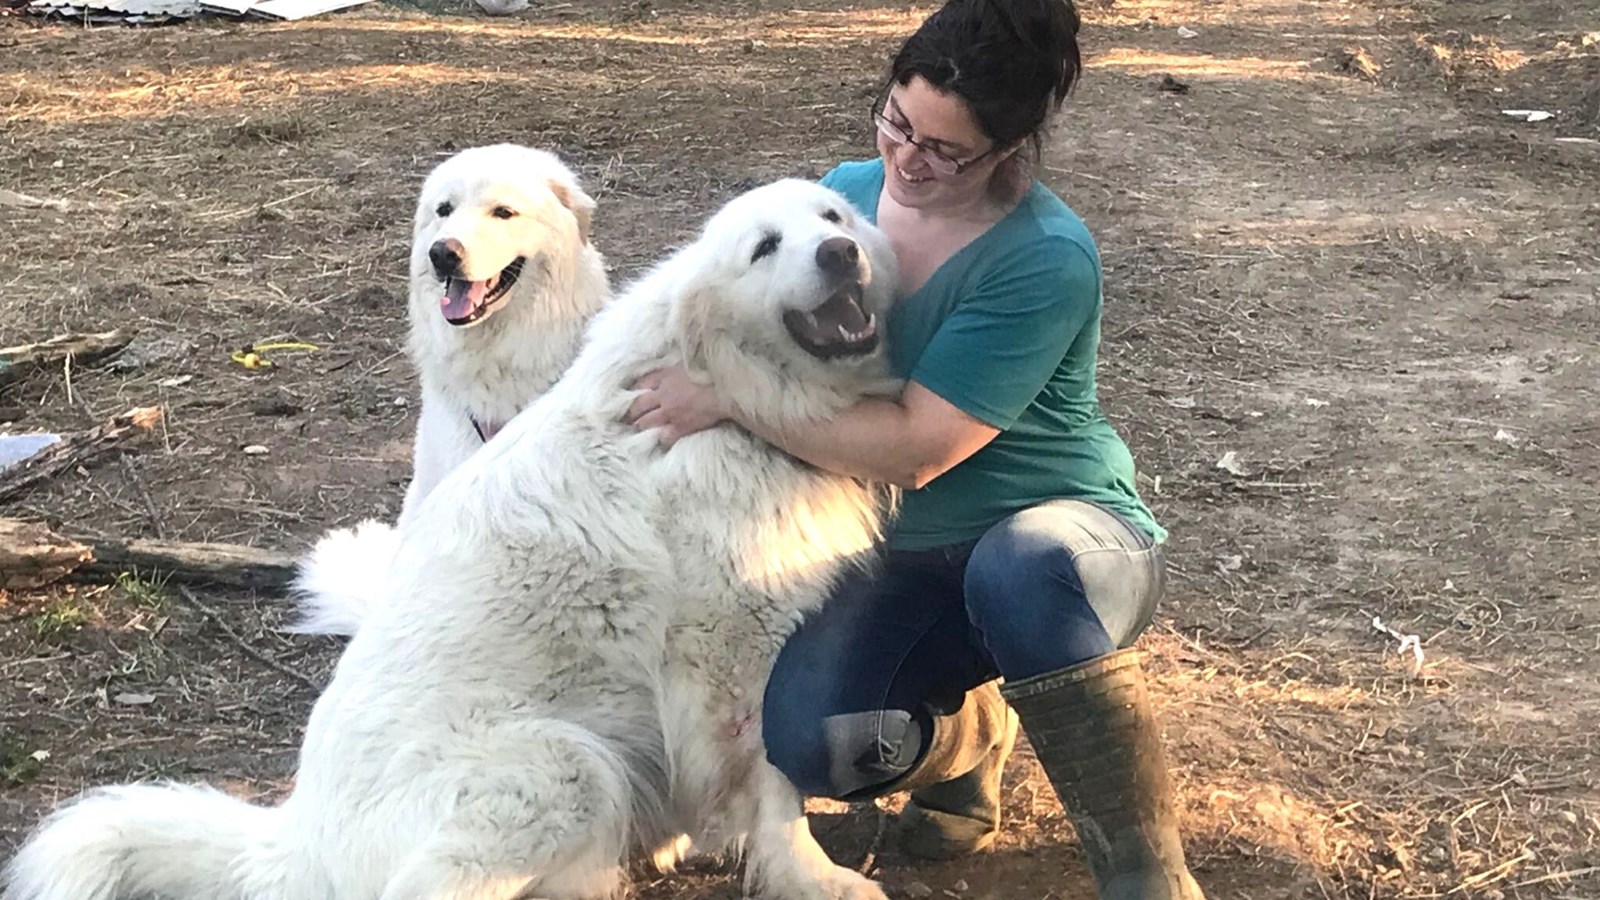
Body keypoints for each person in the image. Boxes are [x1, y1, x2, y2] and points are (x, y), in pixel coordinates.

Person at [626, 0, 1204, 896]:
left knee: (1021, 570)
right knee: (818, 743)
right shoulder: (839, 199)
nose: (907, 159)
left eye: (945, 150)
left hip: (1064, 547)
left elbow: (916, 452)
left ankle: (1144, 871)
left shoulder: (1044, 259)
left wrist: (725, 399)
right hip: (902, 557)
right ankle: (975, 736)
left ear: (1008, 148)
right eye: (899, 122)